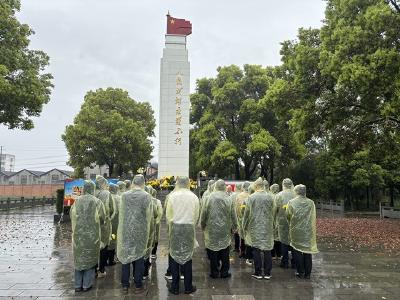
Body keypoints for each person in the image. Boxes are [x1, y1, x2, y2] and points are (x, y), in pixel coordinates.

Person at [117, 175, 153, 294]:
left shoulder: (124, 196)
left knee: (126, 258)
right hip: (140, 231)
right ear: (143, 183)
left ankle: (125, 285)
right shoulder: (147, 196)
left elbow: (121, 215)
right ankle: (138, 285)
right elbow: (149, 217)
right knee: (139, 258)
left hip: (126, 231)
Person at [166, 176, 200, 295]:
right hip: (188, 228)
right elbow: (196, 215)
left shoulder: (172, 196)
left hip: (175, 227)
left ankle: (175, 287)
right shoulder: (194, 197)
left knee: (175, 257)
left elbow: (168, 215)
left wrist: (172, 225)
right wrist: (191, 224)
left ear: (178, 183)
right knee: (188, 257)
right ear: (188, 183)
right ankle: (188, 286)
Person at [71, 180, 105, 292]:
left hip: (78, 235)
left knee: (79, 258)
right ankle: (86, 285)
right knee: (90, 259)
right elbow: (102, 218)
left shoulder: (76, 201)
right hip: (92, 235)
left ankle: (77, 285)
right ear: (93, 189)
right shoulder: (97, 202)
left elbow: (72, 215)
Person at [201, 179, 237, 279]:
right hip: (225, 229)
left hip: (211, 228)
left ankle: (214, 272)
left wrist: (202, 224)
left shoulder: (208, 198)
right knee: (225, 250)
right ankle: (224, 272)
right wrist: (235, 226)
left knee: (213, 250)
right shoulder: (228, 198)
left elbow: (204, 213)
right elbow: (233, 214)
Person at [242, 178, 275, 280]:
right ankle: (268, 272)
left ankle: (258, 272)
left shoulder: (251, 197)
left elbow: (247, 214)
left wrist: (244, 226)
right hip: (267, 226)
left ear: (256, 186)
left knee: (256, 249)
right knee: (267, 249)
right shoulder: (270, 197)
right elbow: (273, 212)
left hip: (255, 226)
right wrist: (273, 225)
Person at [287, 184, 318, 279]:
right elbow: (313, 216)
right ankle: (308, 274)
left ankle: (300, 272)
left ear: (296, 191)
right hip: (308, 230)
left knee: (297, 251)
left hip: (296, 230)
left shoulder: (291, 202)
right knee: (307, 252)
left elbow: (288, 215)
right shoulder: (311, 203)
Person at [274, 178, 296, 269]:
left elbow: (274, 209)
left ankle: (285, 262)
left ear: (283, 184)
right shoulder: (296, 194)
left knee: (284, 242)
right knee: (294, 241)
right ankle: (295, 262)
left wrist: (274, 221)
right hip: (294, 221)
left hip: (282, 221)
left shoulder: (279, 195)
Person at [95, 175, 114, 278]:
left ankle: (93, 269)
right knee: (104, 245)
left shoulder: (91, 193)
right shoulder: (106, 194)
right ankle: (101, 269)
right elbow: (111, 209)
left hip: (92, 225)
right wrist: (107, 217)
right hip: (104, 224)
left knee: (93, 246)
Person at [235, 181, 252, 262]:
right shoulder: (252, 195)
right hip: (251, 219)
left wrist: (239, 217)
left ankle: (242, 252)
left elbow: (237, 208)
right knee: (249, 236)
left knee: (242, 236)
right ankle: (249, 254)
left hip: (241, 219)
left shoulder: (239, 196)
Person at [107, 183, 120, 266]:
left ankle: (105, 259)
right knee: (113, 239)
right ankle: (111, 260)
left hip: (106, 223)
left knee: (106, 240)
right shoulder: (119, 198)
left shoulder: (107, 197)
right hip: (115, 223)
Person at [269, 183, 281, 260]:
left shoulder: (270, 196)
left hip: (272, 219)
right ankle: (279, 254)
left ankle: (273, 254)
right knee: (279, 238)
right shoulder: (280, 196)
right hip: (280, 220)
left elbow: (272, 210)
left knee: (272, 237)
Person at [151, 188, 163, 260]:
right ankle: (153, 253)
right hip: (156, 222)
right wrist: (157, 221)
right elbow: (160, 212)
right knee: (155, 238)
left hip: (147, 223)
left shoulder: (147, 200)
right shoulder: (157, 201)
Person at [231, 183, 243, 252]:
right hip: (242, 216)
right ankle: (242, 249)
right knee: (242, 233)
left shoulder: (232, 195)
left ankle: (236, 247)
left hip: (235, 215)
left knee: (236, 232)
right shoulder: (243, 194)